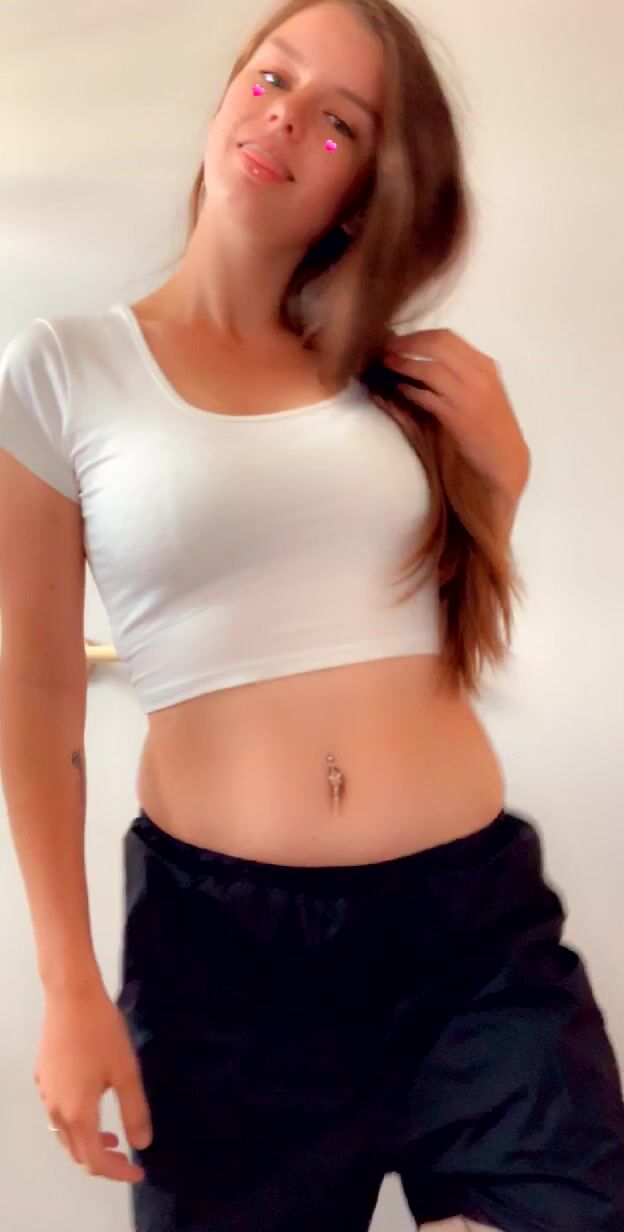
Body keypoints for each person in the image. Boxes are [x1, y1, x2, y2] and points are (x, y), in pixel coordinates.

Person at [1, 0, 623, 1229]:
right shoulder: (65, 368)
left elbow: (433, 620)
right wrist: (68, 985)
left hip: (470, 938)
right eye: (272, 78)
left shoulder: (400, 379)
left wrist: (504, 477)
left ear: (361, 195)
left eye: (339, 123)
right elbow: (33, 684)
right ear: (230, 91)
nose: (287, 118)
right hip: (222, 967)